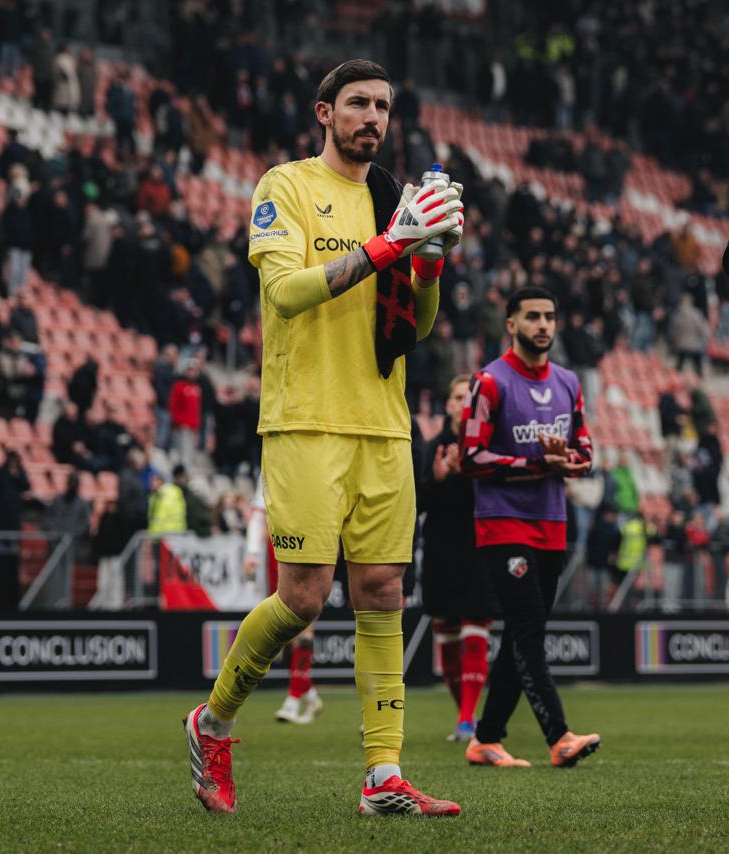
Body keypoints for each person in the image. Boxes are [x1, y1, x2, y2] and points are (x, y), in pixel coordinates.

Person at [185, 60, 465, 818]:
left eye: (382, 106)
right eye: (357, 104)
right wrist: (387, 246)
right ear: (324, 113)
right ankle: (211, 724)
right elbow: (286, 292)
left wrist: (430, 262)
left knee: (382, 592)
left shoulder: (392, 198)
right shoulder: (286, 187)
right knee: (303, 600)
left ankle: (383, 776)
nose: (371, 117)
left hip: (382, 420)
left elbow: (418, 327)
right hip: (306, 418)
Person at [460, 287, 600, 769]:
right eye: (533, 316)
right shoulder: (489, 382)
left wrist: (565, 461)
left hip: (553, 525)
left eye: (550, 316)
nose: (543, 324)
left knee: (528, 633)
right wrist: (537, 462)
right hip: (504, 525)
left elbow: (585, 453)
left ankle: (486, 738)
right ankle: (559, 737)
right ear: (512, 324)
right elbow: (472, 457)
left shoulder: (567, 382)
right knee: (527, 632)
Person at [418, 375, 494, 743]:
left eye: (470, 398)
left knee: (475, 630)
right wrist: (436, 478)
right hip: (441, 551)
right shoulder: (432, 448)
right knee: (447, 640)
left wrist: (473, 475)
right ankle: (464, 716)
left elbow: (502, 497)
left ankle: (467, 721)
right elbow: (417, 503)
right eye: (458, 396)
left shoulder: (489, 447)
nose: (463, 403)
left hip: (480, 549)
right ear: (448, 404)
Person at [244, 475, 322, 725]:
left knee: (304, 626)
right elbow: (259, 510)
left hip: (313, 544)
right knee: (285, 632)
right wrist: (252, 552)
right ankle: (308, 694)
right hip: (277, 551)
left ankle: (292, 699)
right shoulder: (272, 459)